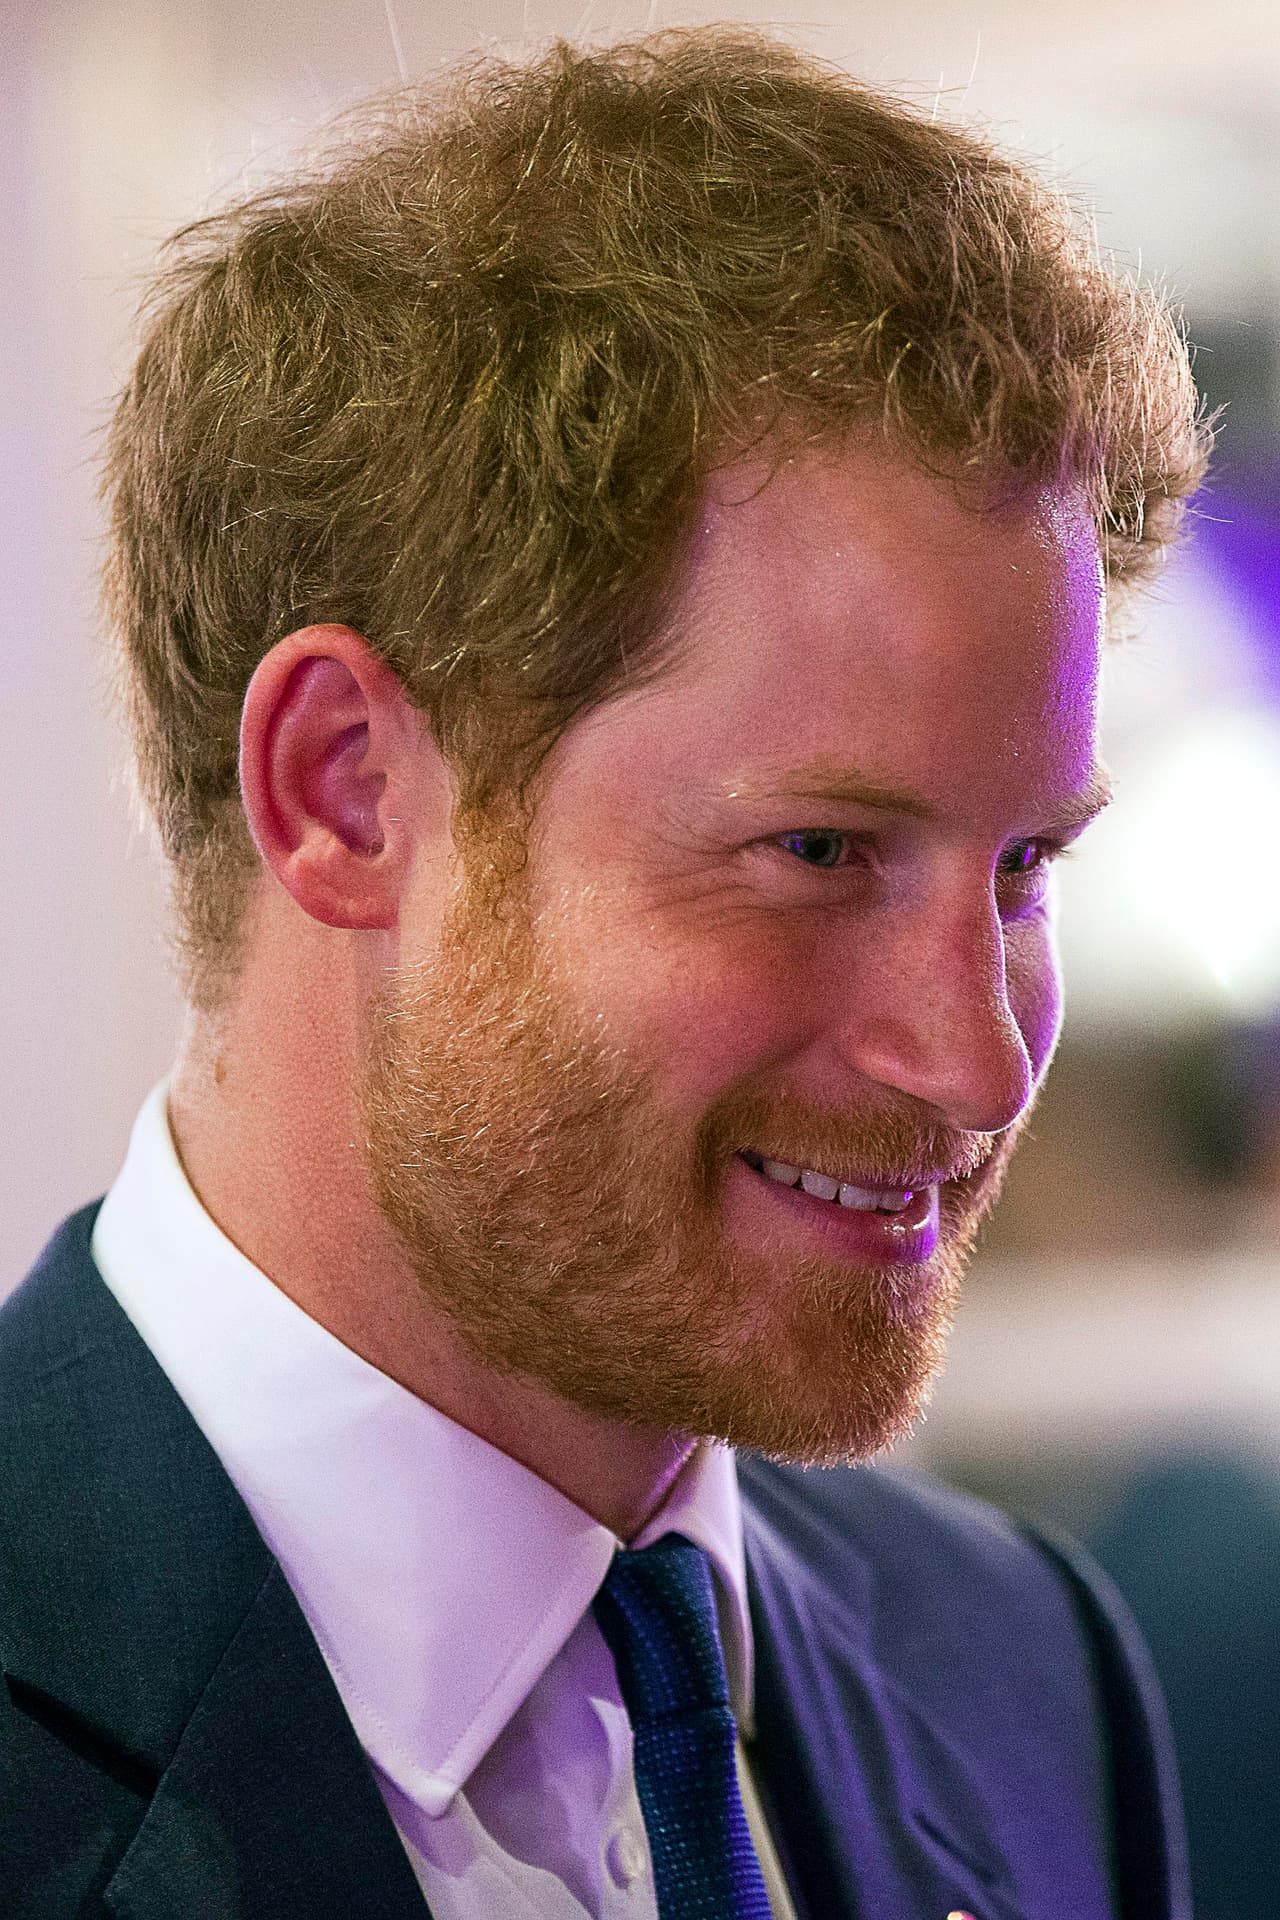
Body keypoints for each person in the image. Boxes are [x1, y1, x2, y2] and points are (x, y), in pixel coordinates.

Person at [0, 29, 1209, 1920]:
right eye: (818, 854)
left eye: (1027, 865)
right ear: (344, 789)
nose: (976, 1065)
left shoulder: (1022, 1672)